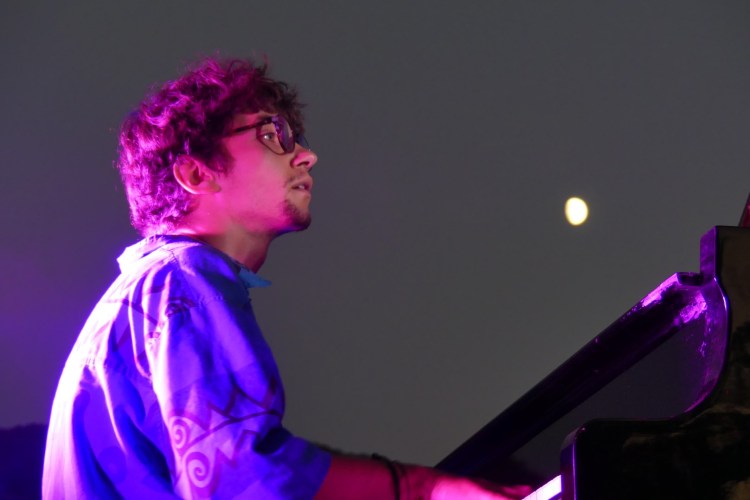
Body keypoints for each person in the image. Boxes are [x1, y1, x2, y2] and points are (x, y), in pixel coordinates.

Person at [42, 57, 529, 499]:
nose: (306, 156)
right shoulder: (182, 284)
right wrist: (424, 489)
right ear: (196, 174)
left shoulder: (150, 294)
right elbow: (245, 482)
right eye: (273, 134)